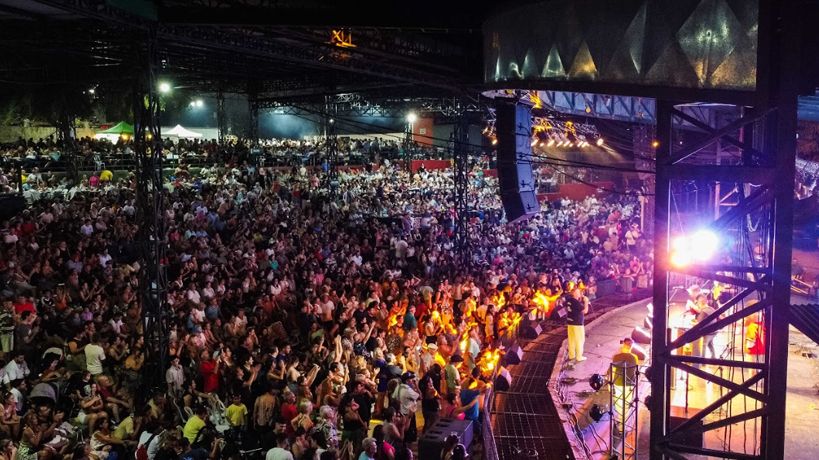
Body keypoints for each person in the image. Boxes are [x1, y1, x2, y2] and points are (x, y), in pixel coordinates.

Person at [565, 287, 589, 362]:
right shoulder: (576, 302)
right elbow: (585, 311)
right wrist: (586, 302)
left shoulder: (569, 300)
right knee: (580, 340)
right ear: (574, 293)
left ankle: (571, 355)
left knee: (571, 340)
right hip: (577, 323)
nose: (580, 293)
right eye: (578, 292)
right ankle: (579, 356)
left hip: (570, 323)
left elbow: (575, 308)